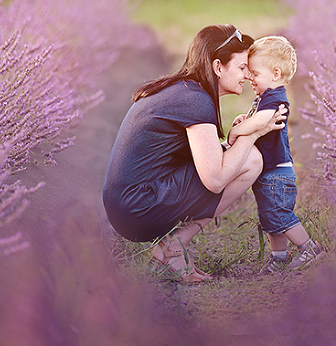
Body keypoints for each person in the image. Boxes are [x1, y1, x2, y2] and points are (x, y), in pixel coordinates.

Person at [103, 25, 287, 283]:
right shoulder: (196, 99)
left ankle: (170, 251)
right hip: (137, 208)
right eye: (243, 67)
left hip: (128, 203)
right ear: (218, 67)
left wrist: (236, 137)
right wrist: (253, 134)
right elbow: (214, 179)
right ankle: (172, 250)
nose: (247, 75)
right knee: (251, 160)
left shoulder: (188, 90)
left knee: (238, 156)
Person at [227, 36, 323, 274]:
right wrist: (244, 120)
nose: (250, 77)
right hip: (269, 174)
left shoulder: (276, 97)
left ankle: (309, 247)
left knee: (279, 214)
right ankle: (279, 257)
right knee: (269, 218)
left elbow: (261, 122)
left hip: (276, 174)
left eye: (255, 73)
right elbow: (257, 122)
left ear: (276, 73)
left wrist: (236, 131)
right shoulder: (265, 98)